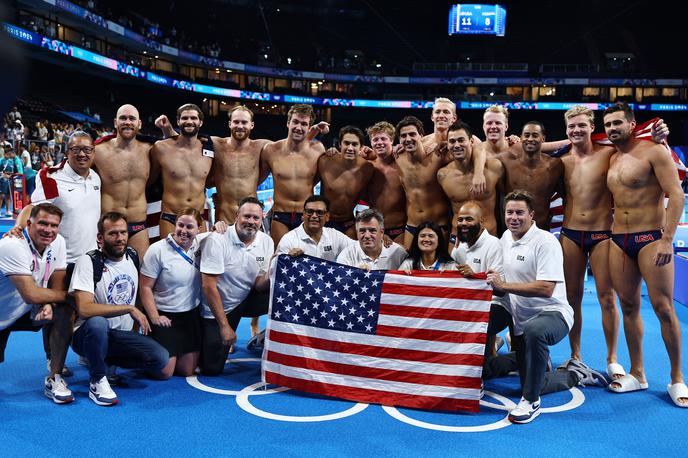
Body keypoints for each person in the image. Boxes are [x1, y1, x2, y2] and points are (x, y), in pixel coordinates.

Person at [486, 190, 608, 424]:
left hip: (553, 314)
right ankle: (486, 372)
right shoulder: (504, 238)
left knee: (535, 337)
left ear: (532, 215)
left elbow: (546, 289)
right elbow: (501, 283)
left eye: (520, 212)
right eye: (509, 212)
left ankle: (543, 394)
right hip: (521, 319)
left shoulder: (546, 241)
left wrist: (504, 285)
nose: (514, 217)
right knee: (536, 379)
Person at [603, 103, 687, 407]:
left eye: (617, 123)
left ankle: (677, 378)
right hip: (619, 240)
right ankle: (638, 373)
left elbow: (676, 194)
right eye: (608, 124)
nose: (612, 128)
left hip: (652, 237)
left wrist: (667, 239)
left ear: (632, 123)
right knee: (628, 306)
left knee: (664, 308)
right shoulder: (611, 157)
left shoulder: (653, 151)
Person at [10, 131, 101, 375]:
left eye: (87, 150)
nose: (82, 154)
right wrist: (19, 226)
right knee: (58, 313)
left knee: (86, 310)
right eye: (76, 149)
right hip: (61, 259)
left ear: (94, 152)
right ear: (66, 151)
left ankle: (83, 354)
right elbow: (34, 208)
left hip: (89, 259)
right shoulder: (51, 177)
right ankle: (52, 359)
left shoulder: (95, 177)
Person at [69, 212, 169, 406]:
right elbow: (85, 309)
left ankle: (107, 361)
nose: (120, 238)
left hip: (117, 336)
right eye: (113, 233)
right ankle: (97, 379)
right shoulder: (89, 262)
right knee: (97, 323)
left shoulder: (132, 256)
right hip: (87, 334)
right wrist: (129, 309)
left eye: (123, 232)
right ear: (100, 238)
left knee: (160, 358)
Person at [557, 105, 622, 377]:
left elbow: (636, 144)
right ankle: (575, 355)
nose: (576, 130)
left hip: (601, 234)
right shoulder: (561, 161)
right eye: (572, 126)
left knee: (607, 297)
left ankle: (612, 358)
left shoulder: (609, 154)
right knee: (572, 298)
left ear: (592, 128)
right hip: (571, 233)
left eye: (582, 125)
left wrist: (660, 135)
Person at [0, 203, 74, 403]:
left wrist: (49, 303)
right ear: (29, 223)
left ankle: (54, 377)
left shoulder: (58, 242)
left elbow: (57, 278)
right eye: (43, 223)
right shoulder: (11, 246)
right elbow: (31, 294)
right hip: (4, 312)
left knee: (64, 311)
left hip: (24, 310)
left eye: (54, 225)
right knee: (69, 302)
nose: (48, 230)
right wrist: (72, 297)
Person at [157, 105, 272, 224]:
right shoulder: (216, 144)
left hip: (251, 217)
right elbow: (185, 141)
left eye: (244, 122)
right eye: (236, 122)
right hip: (224, 220)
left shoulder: (261, 147)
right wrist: (167, 128)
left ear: (251, 125)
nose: (240, 126)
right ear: (229, 124)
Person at [200, 197, 273, 375]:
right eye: (246, 216)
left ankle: (272, 338)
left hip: (246, 298)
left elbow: (259, 285)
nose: (251, 222)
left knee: (284, 292)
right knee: (211, 369)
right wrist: (225, 326)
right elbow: (209, 287)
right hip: (219, 308)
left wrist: (275, 270)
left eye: (256, 218)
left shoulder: (266, 241)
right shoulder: (218, 239)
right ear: (236, 216)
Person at [140, 208, 208, 378]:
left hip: (190, 316)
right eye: (180, 225)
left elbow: (224, 233)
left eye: (189, 227)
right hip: (164, 316)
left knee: (187, 371)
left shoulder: (202, 245)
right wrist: (154, 317)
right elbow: (145, 287)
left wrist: (221, 226)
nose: (183, 231)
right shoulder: (157, 250)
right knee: (164, 373)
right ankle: (144, 348)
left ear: (199, 229)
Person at [260, 104, 330, 245]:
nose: (299, 127)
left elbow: (316, 179)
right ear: (288, 123)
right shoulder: (271, 150)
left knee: (307, 262)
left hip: (308, 215)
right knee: (282, 258)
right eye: (295, 122)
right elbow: (255, 181)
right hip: (280, 215)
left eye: (304, 124)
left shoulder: (318, 150)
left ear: (309, 127)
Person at [94, 104, 155, 259]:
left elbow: (176, 146)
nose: (127, 122)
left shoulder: (150, 150)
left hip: (138, 225)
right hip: (109, 225)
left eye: (132, 118)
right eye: (123, 118)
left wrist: (167, 129)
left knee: (143, 275)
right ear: (115, 122)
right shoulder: (99, 151)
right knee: (104, 276)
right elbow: (70, 170)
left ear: (139, 124)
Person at [450, 202, 509, 362]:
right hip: (470, 304)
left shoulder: (494, 245)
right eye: (460, 219)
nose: (463, 223)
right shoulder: (459, 248)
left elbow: (500, 290)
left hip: (498, 306)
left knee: (483, 365)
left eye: (469, 219)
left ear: (481, 221)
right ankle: (493, 345)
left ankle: (510, 356)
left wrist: (475, 276)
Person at [150, 104, 212, 239]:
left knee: (199, 259)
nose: (189, 121)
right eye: (185, 118)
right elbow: (151, 179)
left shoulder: (210, 149)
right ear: (178, 121)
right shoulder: (161, 148)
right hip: (170, 217)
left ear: (200, 122)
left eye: (193, 118)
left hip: (198, 218)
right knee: (169, 259)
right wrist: (167, 129)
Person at [438, 121, 504, 240]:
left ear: (471, 141)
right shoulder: (443, 175)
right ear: (447, 145)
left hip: (488, 237)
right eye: (452, 141)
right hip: (457, 238)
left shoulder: (494, 168)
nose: (457, 145)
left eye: (461, 140)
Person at [393, 116, 452, 248]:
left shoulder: (439, 155)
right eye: (403, 136)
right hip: (412, 225)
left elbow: (470, 150)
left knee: (440, 267)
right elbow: (375, 156)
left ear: (421, 135)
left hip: (438, 225)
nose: (408, 139)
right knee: (409, 266)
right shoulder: (397, 157)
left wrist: (450, 144)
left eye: (412, 134)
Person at [498, 121, 564, 230]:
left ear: (543, 138)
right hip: (512, 231)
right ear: (521, 138)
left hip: (542, 230)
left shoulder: (555, 165)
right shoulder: (506, 162)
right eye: (526, 135)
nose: (530, 139)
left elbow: (566, 196)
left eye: (535, 135)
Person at [318, 125, 374, 238]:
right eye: (346, 143)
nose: (350, 148)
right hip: (324, 221)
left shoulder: (367, 168)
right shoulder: (325, 161)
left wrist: (373, 154)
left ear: (361, 147)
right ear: (339, 144)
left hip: (348, 222)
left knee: (352, 254)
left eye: (354, 144)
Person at [275, 195, 353, 260]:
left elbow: (357, 248)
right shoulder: (289, 239)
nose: (314, 216)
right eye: (310, 212)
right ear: (303, 215)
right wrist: (287, 258)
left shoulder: (334, 236)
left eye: (319, 212)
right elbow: (275, 267)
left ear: (327, 217)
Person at [365, 121, 406, 243]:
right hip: (375, 230)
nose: (379, 143)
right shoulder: (367, 167)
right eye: (375, 139)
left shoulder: (403, 165)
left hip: (401, 230)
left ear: (392, 141)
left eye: (383, 138)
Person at [336, 208, 407, 270]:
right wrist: (355, 275)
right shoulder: (346, 255)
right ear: (357, 232)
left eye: (372, 230)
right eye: (362, 231)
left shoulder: (398, 253)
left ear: (381, 232)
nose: (367, 235)